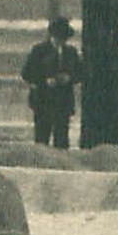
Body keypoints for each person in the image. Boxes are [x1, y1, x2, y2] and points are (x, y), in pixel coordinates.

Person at [21, 16, 83, 150]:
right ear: (52, 36)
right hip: (43, 102)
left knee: (62, 141)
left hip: (63, 103)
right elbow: (26, 73)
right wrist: (45, 81)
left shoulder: (71, 52)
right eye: (58, 37)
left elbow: (80, 73)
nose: (61, 41)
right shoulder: (39, 51)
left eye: (63, 38)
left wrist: (69, 78)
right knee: (42, 140)